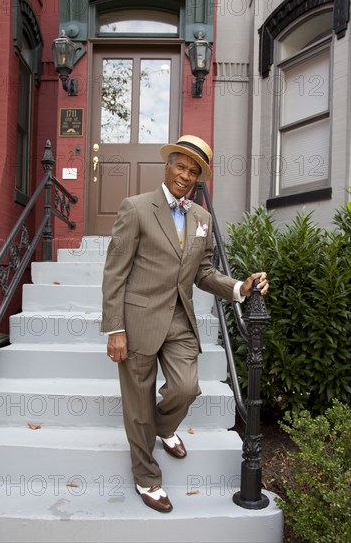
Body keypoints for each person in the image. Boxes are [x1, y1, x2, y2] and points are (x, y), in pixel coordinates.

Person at [101, 135, 269, 513]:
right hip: (138, 318)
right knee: (138, 406)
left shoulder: (202, 219)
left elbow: (205, 272)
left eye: (194, 171)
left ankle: (163, 428)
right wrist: (115, 329)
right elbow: (114, 273)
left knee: (186, 388)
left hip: (179, 318)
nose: (186, 175)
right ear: (168, 165)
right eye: (181, 166)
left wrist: (239, 287)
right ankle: (146, 477)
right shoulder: (137, 208)